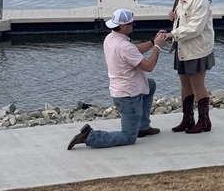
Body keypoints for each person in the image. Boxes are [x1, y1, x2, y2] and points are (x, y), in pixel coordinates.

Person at [67, 8, 167, 150]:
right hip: (128, 95)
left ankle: (143, 127)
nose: (134, 26)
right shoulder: (124, 46)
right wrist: (158, 46)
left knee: (150, 84)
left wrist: (152, 41)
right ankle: (90, 136)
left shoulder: (111, 38)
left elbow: (133, 51)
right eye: (132, 24)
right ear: (123, 26)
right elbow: (148, 66)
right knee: (128, 137)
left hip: (121, 88)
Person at [161, 0, 215, 134]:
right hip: (182, 47)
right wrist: (173, 16)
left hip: (197, 49)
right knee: (185, 83)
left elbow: (196, 28)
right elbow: (184, 19)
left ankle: (204, 121)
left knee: (197, 84)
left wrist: (172, 34)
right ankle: (187, 118)